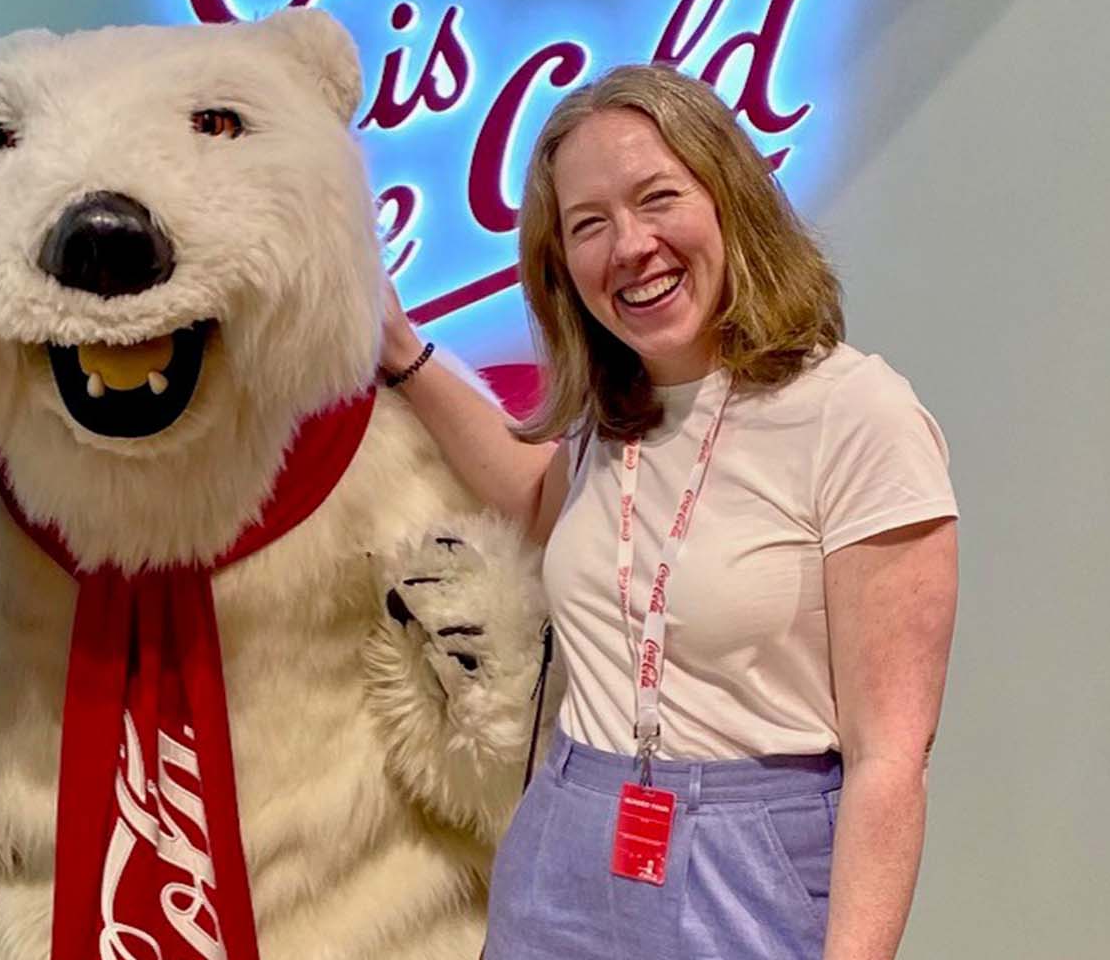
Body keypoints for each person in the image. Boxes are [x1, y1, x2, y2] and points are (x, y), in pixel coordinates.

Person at [379, 64, 958, 959]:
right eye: (589, 226)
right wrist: (402, 352)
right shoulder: (616, 414)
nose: (631, 246)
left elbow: (890, 757)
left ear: (728, 197)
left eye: (658, 198)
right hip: (565, 841)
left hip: (752, 861)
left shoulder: (856, 414)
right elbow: (537, 501)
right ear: (561, 265)